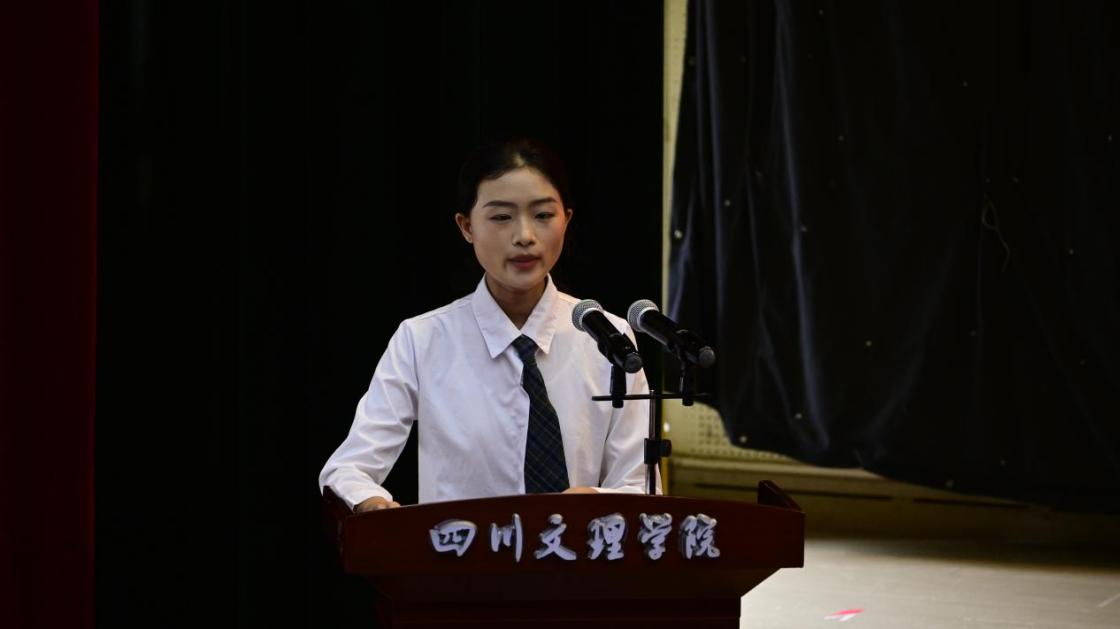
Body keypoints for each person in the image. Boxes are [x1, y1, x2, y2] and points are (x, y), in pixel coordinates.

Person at [319, 137, 655, 513]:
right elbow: (348, 469)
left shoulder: (607, 338)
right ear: (466, 227)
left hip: (577, 548)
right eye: (501, 217)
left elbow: (641, 484)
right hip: (461, 550)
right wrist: (373, 506)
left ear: (567, 219)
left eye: (543, 215)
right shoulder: (422, 340)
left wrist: (592, 501)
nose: (524, 236)